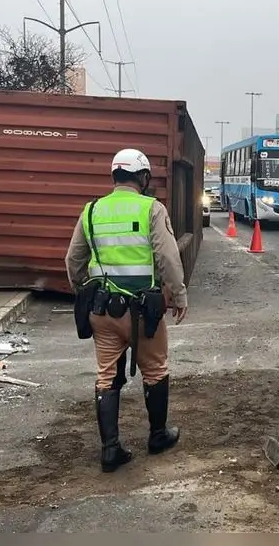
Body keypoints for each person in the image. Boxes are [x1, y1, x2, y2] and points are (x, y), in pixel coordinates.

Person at [65, 148, 189, 473]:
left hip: (102, 311)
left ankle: (110, 450)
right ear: (143, 177)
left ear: (114, 176)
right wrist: (178, 295)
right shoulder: (152, 208)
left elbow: (73, 261)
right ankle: (158, 436)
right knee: (155, 370)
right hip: (142, 313)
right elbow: (168, 258)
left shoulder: (92, 210)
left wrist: (82, 290)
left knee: (106, 375)